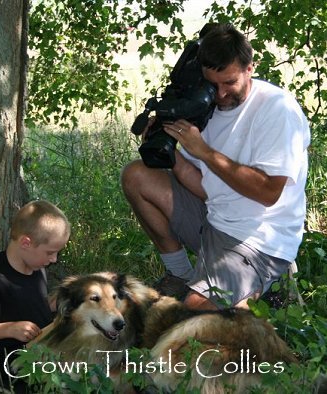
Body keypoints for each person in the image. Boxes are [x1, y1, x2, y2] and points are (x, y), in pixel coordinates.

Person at [121, 24, 310, 310]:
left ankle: (270, 282)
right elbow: (203, 185)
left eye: (229, 83)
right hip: (213, 218)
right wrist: (171, 150)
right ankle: (182, 275)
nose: (220, 94)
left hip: (257, 239)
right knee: (136, 175)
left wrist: (206, 152)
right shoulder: (205, 106)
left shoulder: (276, 110)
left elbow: (269, 192)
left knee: (196, 311)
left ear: (250, 68)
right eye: (213, 84)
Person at [0, 200, 71, 390]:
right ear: (26, 243)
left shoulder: (36, 267)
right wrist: (9, 329)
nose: (54, 260)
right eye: (51, 253)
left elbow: (31, 302)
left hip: (44, 355)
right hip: (15, 367)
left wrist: (55, 304)